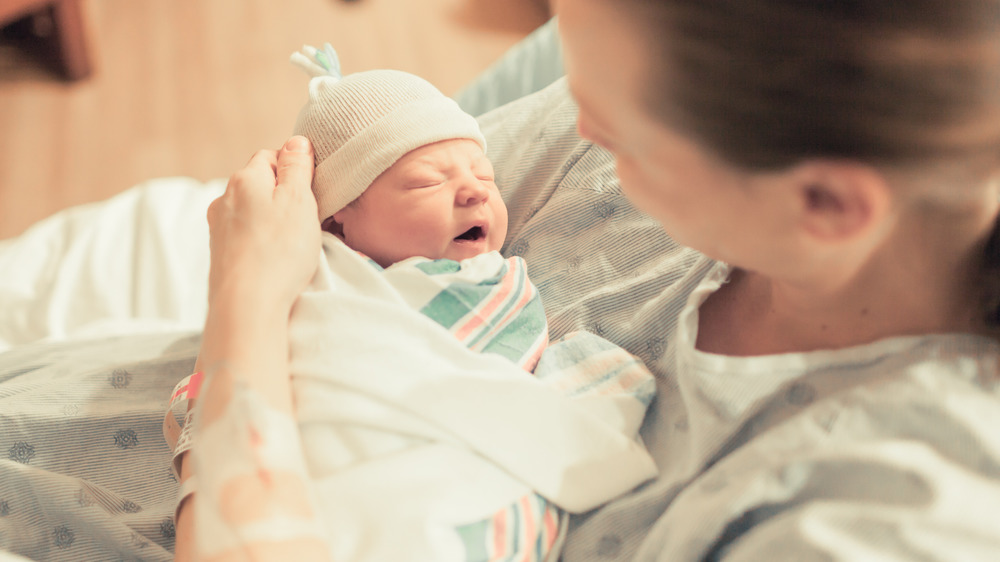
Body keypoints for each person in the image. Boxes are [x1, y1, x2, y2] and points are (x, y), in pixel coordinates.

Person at [179, 0, 1000, 560]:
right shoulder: (653, 121)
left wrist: (245, 300)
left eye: (620, 131)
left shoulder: (874, 512)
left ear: (824, 202)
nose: (576, 124)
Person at [170, 45, 657, 561]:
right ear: (337, 224)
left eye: (485, 175)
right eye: (428, 181)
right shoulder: (324, 281)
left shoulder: (489, 283)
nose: (474, 190)